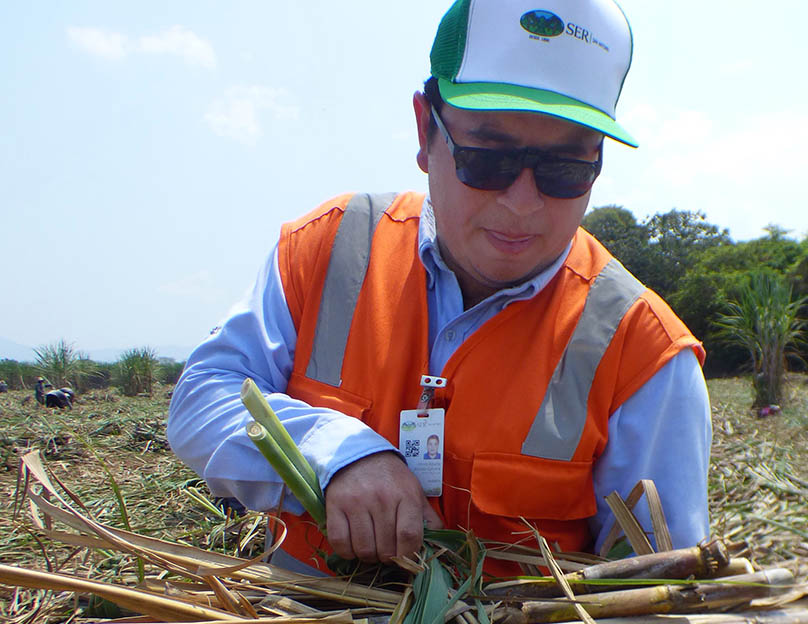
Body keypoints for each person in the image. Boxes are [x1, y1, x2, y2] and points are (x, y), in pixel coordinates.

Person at [168, 0, 711, 576]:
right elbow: (204, 397)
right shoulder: (329, 247)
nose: (522, 203)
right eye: (488, 158)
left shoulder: (645, 353)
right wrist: (335, 454)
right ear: (426, 132)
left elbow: (661, 584)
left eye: (565, 168)